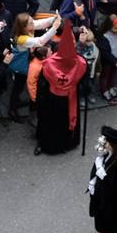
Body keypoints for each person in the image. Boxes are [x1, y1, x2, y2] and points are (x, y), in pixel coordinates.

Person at [34, 21, 86, 155]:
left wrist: (40, 101)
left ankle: (48, 145)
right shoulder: (80, 62)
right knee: (67, 121)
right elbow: (83, 80)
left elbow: (42, 85)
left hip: (52, 99)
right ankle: (68, 143)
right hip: (70, 98)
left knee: (50, 123)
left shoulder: (48, 64)